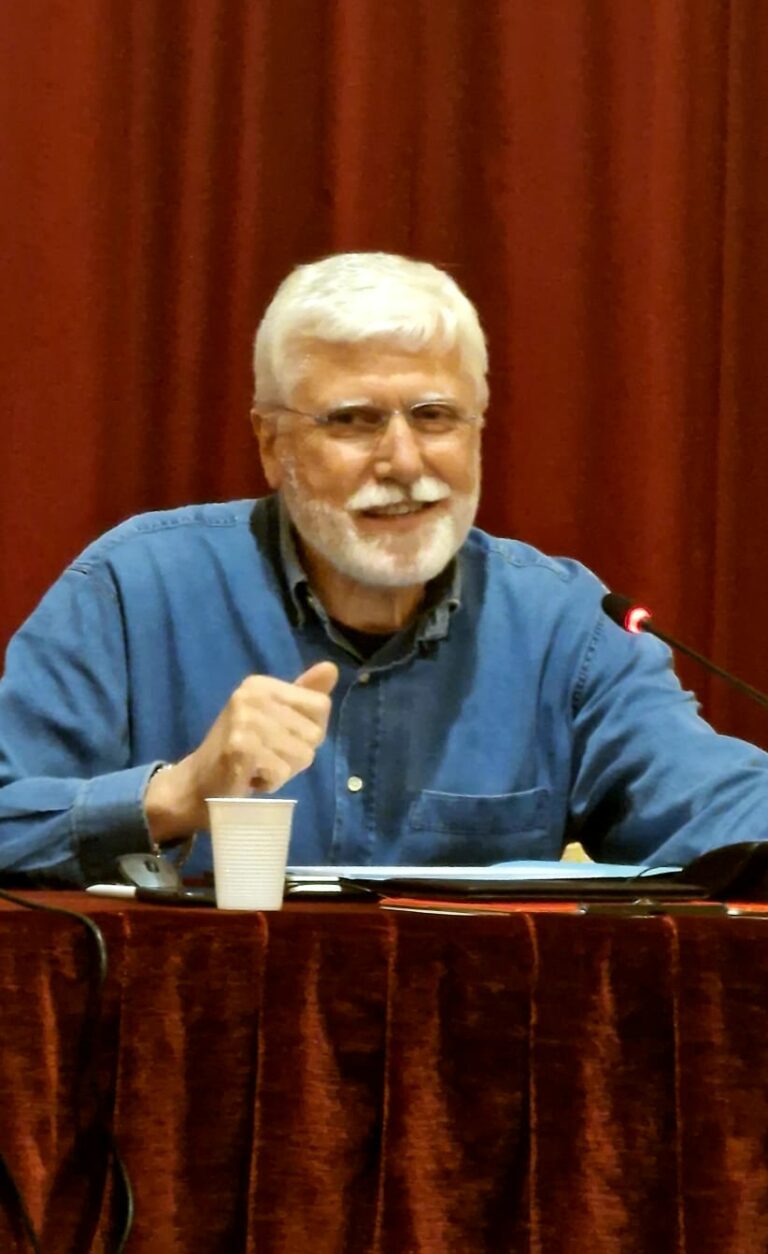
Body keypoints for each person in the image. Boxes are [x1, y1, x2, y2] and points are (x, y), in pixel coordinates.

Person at [1, 252, 767, 886]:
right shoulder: (133, 591)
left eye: (435, 417)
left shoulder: (566, 627)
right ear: (270, 444)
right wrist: (178, 794)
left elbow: (711, 800)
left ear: (477, 430)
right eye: (353, 420)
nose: (403, 462)